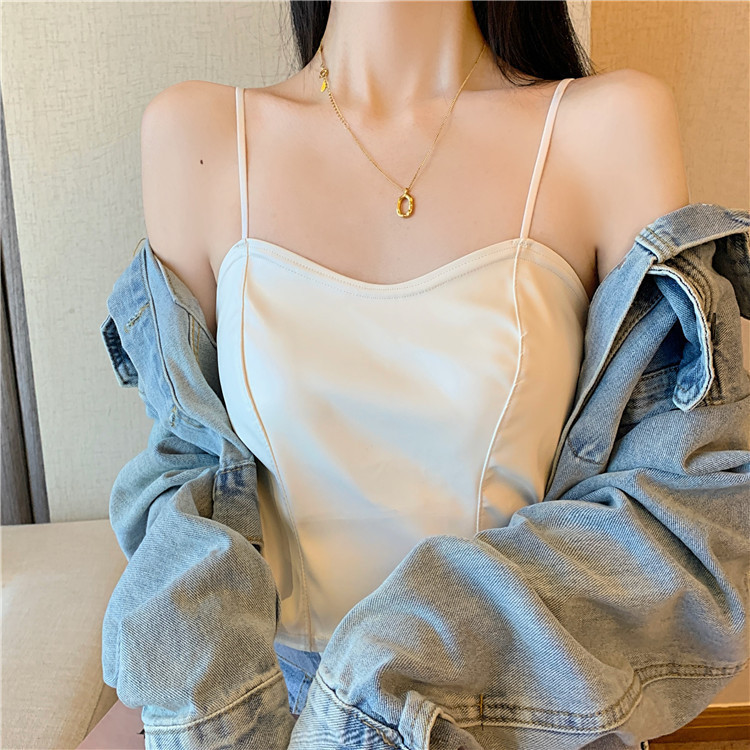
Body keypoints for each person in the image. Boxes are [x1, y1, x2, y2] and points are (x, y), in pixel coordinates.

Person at [102, 1, 750, 748]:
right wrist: (215, 717)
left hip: (513, 717)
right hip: (263, 722)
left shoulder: (607, 127)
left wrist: (376, 687)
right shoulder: (198, 136)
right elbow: (187, 485)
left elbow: (678, 521)